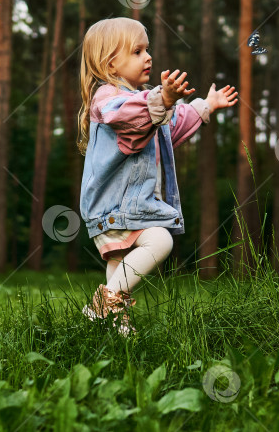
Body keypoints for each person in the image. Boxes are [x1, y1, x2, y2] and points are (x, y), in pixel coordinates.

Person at [76, 17, 238, 336]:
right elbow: (130, 115)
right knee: (160, 238)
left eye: (147, 50)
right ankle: (103, 303)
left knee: (119, 265)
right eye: (138, 51)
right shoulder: (108, 99)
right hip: (115, 208)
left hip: (121, 210)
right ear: (111, 62)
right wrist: (161, 99)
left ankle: (111, 327)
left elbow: (171, 125)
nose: (148, 57)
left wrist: (206, 104)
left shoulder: (145, 101)